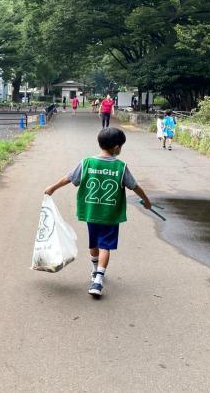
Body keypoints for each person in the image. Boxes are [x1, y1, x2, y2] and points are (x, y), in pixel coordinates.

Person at [44, 127, 152, 297]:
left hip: (91, 211)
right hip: (110, 214)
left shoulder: (87, 162)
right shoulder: (120, 167)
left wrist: (52, 187)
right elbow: (135, 186)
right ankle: (98, 279)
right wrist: (146, 200)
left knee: (93, 243)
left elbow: (69, 178)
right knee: (105, 246)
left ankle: (95, 271)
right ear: (116, 147)